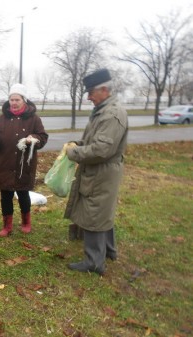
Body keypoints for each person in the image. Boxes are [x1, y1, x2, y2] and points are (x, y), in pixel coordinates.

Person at [64, 68, 128, 275]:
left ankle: (94, 262)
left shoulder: (112, 114)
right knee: (103, 211)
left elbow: (102, 150)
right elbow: (96, 140)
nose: (89, 97)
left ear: (103, 89)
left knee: (95, 213)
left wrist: (75, 153)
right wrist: (80, 143)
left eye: (91, 92)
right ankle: (109, 251)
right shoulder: (103, 110)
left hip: (101, 171)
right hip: (100, 171)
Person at [0, 83, 48, 237]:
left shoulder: (34, 119)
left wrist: (33, 138)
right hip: (4, 163)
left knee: (23, 194)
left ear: (24, 100)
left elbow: (43, 137)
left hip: (24, 165)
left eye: (17, 99)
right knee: (5, 196)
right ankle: (7, 225)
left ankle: (26, 222)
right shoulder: (0, 119)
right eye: (11, 99)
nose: (13, 102)